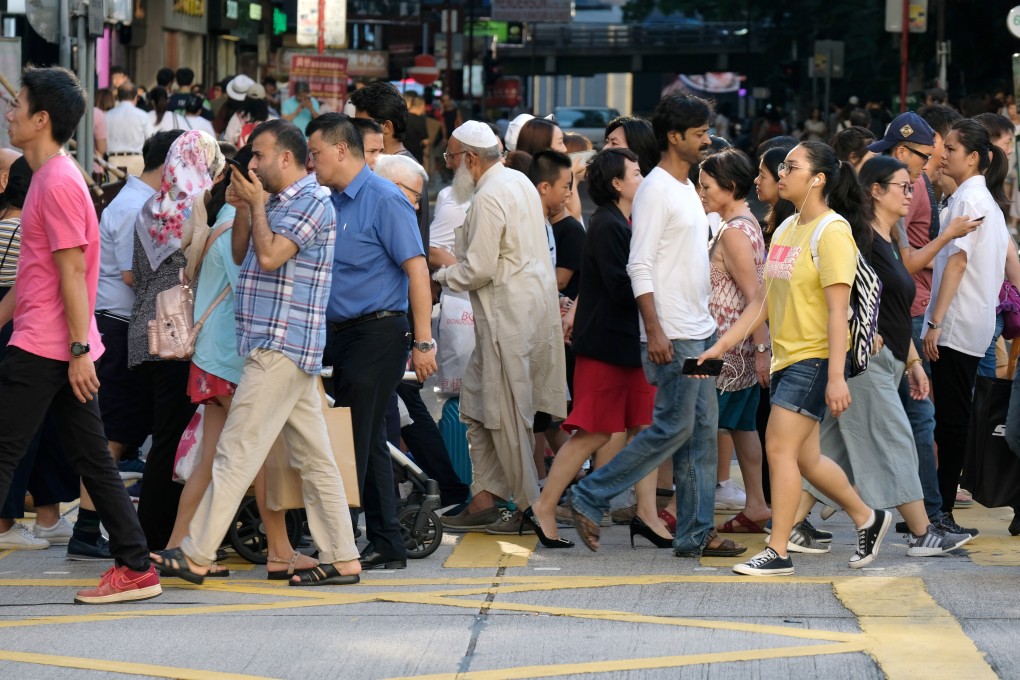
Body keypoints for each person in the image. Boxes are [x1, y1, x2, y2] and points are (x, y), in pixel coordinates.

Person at [151, 119, 362, 587]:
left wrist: (257, 205)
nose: (252, 164)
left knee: (236, 451)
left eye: (260, 156)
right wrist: (246, 208)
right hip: (275, 345)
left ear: (286, 159)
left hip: (281, 345)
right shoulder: (278, 202)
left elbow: (270, 257)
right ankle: (344, 557)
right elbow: (245, 254)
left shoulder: (312, 203)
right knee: (316, 458)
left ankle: (198, 552)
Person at [0, 65, 159, 603]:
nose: (9, 113)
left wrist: (76, 351)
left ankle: (136, 564)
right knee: (93, 457)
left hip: (50, 347)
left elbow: (73, 274)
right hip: (55, 343)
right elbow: (39, 276)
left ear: (41, 119)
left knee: (2, 450)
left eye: (17, 105)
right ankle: (136, 565)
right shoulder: (44, 174)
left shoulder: (59, 182)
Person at [699, 141, 894, 576]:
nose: (781, 173)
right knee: (806, 460)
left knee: (778, 448)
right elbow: (762, 303)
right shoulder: (786, 229)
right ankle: (869, 517)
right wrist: (720, 346)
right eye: (782, 166)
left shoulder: (833, 231)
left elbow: (837, 311)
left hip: (815, 357)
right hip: (787, 358)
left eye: (791, 166)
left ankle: (779, 549)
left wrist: (838, 376)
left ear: (819, 179)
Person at [563, 94, 742, 559]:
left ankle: (696, 533)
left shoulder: (685, 188)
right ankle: (590, 493)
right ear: (674, 137)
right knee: (673, 429)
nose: (707, 139)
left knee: (701, 434)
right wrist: (655, 331)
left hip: (698, 331)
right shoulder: (657, 190)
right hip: (674, 335)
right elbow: (638, 266)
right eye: (699, 133)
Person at [795, 155, 973, 557]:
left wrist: (911, 362)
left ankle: (790, 525)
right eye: (902, 187)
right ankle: (923, 530)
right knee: (895, 439)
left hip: (888, 358)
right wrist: (866, 332)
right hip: (863, 361)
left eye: (912, 187)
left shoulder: (889, 239)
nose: (911, 194)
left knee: (831, 451)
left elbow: (894, 311)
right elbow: (838, 299)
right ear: (875, 190)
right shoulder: (858, 240)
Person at [305, 112, 437, 570]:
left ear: (342, 150)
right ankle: (387, 542)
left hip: (379, 332)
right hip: (339, 336)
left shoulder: (384, 199)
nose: (312, 161)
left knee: (351, 442)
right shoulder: (331, 201)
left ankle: (339, 549)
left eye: (316, 153)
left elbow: (417, 270)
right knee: (369, 439)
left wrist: (423, 343)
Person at [435, 121, 567, 534]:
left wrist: (438, 276)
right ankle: (484, 498)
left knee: (505, 418)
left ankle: (531, 509)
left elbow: (478, 269)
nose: (449, 165)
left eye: (451, 158)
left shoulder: (489, 195)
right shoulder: (518, 181)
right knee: (476, 406)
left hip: (504, 322)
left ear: (470, 159)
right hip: (523, 317)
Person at [529, 148, 662, 547]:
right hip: (607, 348)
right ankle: (546, 506)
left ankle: (648, 515)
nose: (644, 180)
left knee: (645, 429)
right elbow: (621, 288)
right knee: (593, 433)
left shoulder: (623, 221)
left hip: (626, 346)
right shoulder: (607, 225)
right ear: (617, 183)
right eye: (637, 173)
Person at [128, 131, 224, 550]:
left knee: (162, 436)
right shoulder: (199, 207)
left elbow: (135, 275)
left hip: (146, 332)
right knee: (180, 439)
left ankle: (157, 530)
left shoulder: (150, 208)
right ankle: (163, 535)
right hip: (182, 335)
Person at [923, 120, 1011, 521]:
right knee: (955, 417)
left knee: (951, 421)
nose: (943, 155)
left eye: (952, 150)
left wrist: (936, 321)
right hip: (972, 323)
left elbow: (957, 264)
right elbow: (1007, 260)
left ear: (974, 158)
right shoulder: (980, 199)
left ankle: (940, 512)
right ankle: (938, 509)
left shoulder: (969, 202)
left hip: (956, 326)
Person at [94, 133, 184, 513]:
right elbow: (134, 276)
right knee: (117, 431)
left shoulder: (137, 201)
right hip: (121, 324)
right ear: (169, 166)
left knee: (126, 427)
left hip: (127, 323)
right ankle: (87, 523)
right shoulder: (138, 207)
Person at [374, 154, 470, 508]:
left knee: (399, 414)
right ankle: (433, 486)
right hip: (379, 334)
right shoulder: (377, 204)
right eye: (414, 196)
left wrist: (422, 341)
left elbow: (418, 277)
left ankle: (410, 492)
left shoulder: (395, 212)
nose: (416, 206)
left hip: (388, 333)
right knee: (403, 413)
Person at [697, 148, 772, 536]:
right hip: (738, 349)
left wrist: (760, 350)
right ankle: (756, 505)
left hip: (728, 353)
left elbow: (755, 296)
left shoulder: (734, 233)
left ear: (728, 187)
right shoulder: (746, 224)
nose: (701, 191)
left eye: (706, 185)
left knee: (702, 429)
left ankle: (687, 507)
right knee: (744, 430)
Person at [106, 82, 151, 176]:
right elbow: (150, 139)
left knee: (113, 190)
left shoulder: (108, 115)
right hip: (136, 160)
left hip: (113, 160)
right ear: (136, 97)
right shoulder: (143, 115)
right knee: (136, 190)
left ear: (118, 96)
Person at [225, 83, 273, 148]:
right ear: (264, 100)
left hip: (240, 157)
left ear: (246, 100)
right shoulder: (271, 120)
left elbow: (228, 140)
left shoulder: (237, 117)